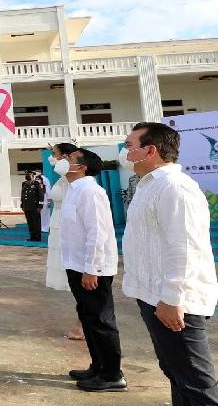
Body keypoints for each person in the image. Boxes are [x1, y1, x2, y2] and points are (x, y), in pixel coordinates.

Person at [121, 122, 218, 405]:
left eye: (130, 146)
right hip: (153, 296)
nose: (126, 152)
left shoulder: (175, 188)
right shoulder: (149, 186)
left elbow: (186, 247)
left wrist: (171, 297)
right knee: (177, 373)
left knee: (197, 383)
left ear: (150, 150)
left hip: (175, 302)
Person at [60, 148, 125, 392]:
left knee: (100, 320)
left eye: (69, 160)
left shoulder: (90, 191)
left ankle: (112, 374)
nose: (63, 163)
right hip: (77, 264)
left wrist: (92, 269)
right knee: (88, 318)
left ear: (83, 167)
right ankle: (98, 367)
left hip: (91, 268)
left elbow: (98, 232)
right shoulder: (75, 190)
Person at [45, 143, 85, 341]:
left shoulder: (78, 181)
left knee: (78, 276)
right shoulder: (63, 179)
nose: (51, 158)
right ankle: (82, 319)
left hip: (69, 227)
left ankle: (83, 322)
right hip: (58, 226)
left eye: (55, 155)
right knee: (71, 277)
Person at [20, 171, 44, 241]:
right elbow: (23, 195)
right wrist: (22, 205)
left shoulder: (36, 183)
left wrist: (40, 206)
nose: (27, 175)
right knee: (30, 222)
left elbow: (41, 195)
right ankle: (32, 236)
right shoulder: (24, 184)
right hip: (26, 206)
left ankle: (37, 237)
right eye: (26, 174)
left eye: (29, 174)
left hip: (35, 206)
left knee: (36, 222)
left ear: (33, 176)